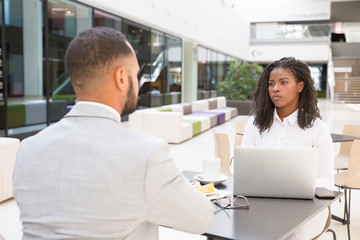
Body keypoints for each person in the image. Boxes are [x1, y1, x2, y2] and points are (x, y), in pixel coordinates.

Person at [13, 27, 213, 240]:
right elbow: (201, 219)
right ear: (121, 78)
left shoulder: (27, 149)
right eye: (135, 75)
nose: (138, 84)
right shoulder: (146, 154)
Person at [242, 57, 334, 239]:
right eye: (271, 83)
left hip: (308, 208)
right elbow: (243, 169)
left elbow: (325, 182)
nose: (275, 88)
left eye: (283, 82)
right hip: (262, 203)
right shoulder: (255, 124)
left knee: (289, 234)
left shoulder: (317, 129)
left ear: (300, 86)